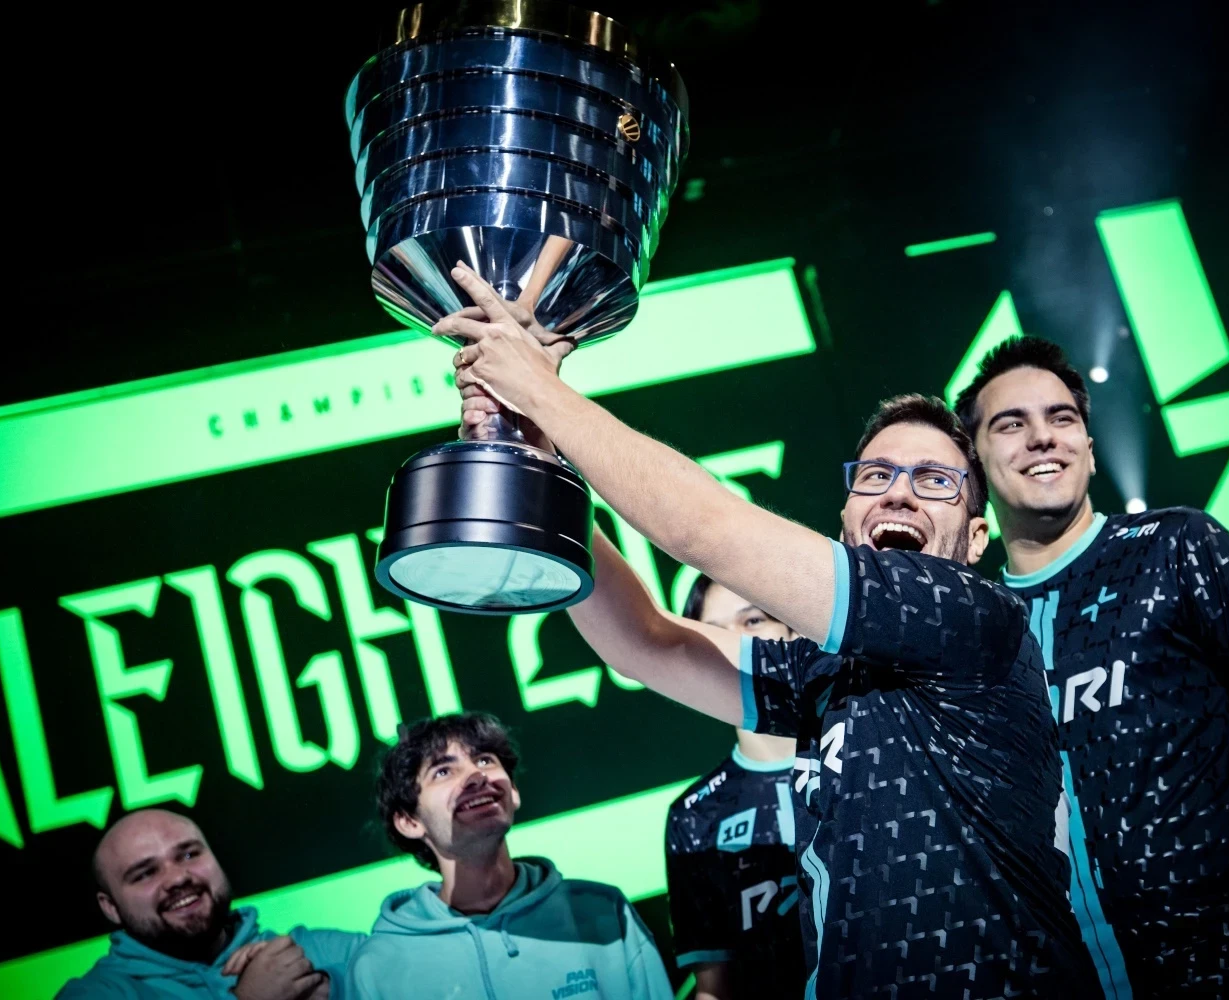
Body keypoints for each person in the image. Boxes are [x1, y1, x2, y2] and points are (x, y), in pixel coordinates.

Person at [442, 262, 1101, 998]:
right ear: (846, 520)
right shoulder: (824, 671)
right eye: (875, 476)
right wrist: (537, 458)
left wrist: (541, 390)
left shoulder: (976, 618)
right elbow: (646, 641)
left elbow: (708, 530)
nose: (901, 494)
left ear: (977, 538)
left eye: (935, 481)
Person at [954, 334, 1229, 998]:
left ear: (1090, 450)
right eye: (1010, 425)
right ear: (977, 465)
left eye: (1061, 418)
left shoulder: (1179, 546)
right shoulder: (975, 633)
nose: (1042, 437)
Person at [346, 711, 673, 1000]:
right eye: (443, 772)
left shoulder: (602, 912)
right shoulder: (378, 968)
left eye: (485, 760)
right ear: (409, 821)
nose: (477, 776)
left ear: (513, 791)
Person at [58, 809, 363, 999]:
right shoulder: (96, 994)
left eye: (189, 854)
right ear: (110, 907)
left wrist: (331, 987)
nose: (178, 878)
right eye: (146, 873)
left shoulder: (317, 952)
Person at [667, 576, 801, 999]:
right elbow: (714, 988)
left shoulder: (867, 757)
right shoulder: (694, 815)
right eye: (713, 633)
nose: (733, 644)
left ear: (795, 630)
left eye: (753, 621)